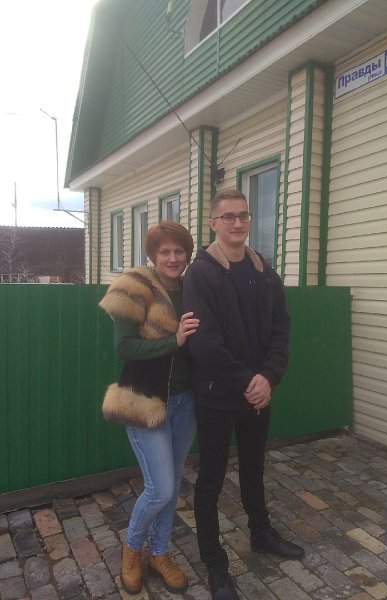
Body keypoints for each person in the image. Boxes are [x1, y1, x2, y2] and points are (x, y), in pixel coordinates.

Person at [183, 189, 304, 600]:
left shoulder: (264, 271)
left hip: (257, 395)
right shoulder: (201, 274)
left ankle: (260, 533)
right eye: (228, 217)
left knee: (254, 468)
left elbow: (281, 331)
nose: (237, 223)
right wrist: (249, 382)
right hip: (218, 396)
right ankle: (216, 566)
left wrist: (268, 378)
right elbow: (204, 344)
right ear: (213, 223)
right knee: (210, 481)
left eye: (243, 216)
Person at [99, 221, 199, 595]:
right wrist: (174, 341)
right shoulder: (135, 287)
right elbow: (123, 347)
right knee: (160, 489)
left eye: (179, 251)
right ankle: (132, 550)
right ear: (153, 255)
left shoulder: (193, 288)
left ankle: (159, 553)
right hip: (145, 403)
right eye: (164, 251)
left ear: (187, 254)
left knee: (172, 485)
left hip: (186, 402)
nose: (173, 258)